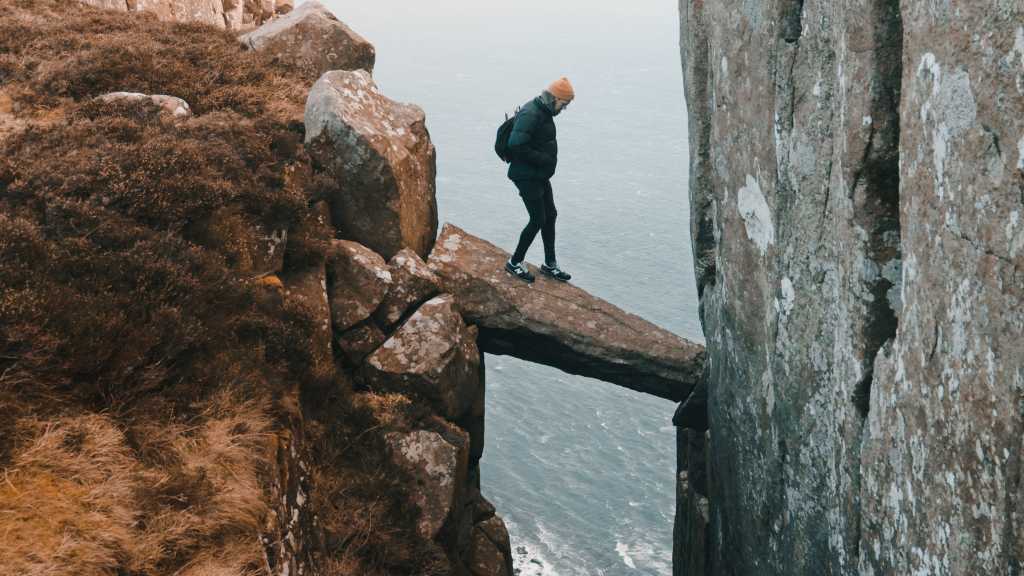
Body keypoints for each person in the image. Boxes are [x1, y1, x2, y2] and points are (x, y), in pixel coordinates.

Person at [503, 77, 575, 284]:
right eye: (564, 104)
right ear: (554, 98)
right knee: (537, 219)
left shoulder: (543, 112)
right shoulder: (531, 113)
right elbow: (516, 144)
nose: (564, 109)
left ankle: (550, 264)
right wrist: (543, 160)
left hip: (538, 174)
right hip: (526, 176)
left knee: (550, 214)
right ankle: (515, 262)